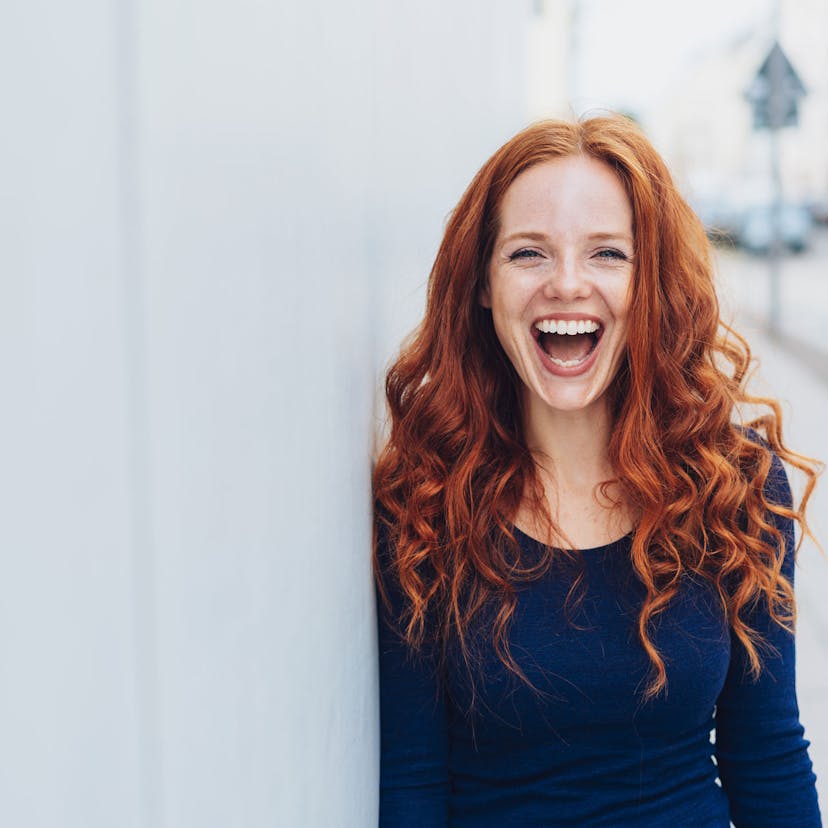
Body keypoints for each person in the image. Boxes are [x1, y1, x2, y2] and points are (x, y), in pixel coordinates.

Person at [372, 114, 822, 827]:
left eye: (608, 254)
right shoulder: (425, 501)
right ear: (482, 285)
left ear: (651, 284)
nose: (568, 284)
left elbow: (766, 754)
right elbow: (412, 781)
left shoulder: (733, 485)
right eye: (529, 254)